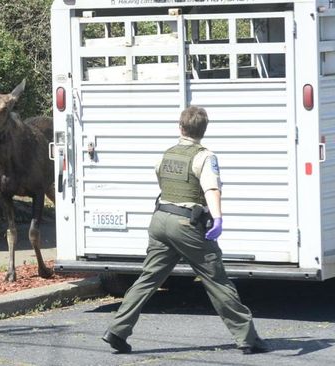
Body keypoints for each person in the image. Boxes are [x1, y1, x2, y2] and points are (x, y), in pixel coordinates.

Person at [102, 106, 268, 355]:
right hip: (187, 226)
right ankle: (248, 339)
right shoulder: (205, 157)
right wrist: (218, 218)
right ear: (204, 129)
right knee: (218, 282)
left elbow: (161, 181)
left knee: (148, 279)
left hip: (160, 220)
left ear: (180, 127)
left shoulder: (166, 154)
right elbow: (211, 189)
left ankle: (117, 330)